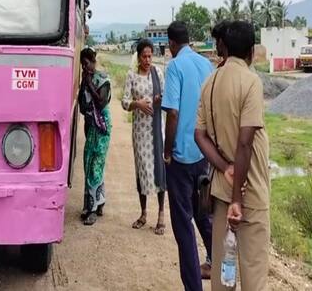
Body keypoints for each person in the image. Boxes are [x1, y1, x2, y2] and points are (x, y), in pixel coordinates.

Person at [195, 21, 271, 291]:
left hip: (221, 191)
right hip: (250, 194)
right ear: (251, 51)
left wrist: (225, 167)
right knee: (254, 274)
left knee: (222, 276)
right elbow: (245, 143)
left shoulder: (210, 83)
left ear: (224, 47)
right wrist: (239, 197)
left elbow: (200, 135)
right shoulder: (251, 82)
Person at [161, 21, 215, 289]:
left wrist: (167, 151)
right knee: (203, 215)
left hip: (181, 158)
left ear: (171, 44)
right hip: (204, 155)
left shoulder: (174, 67)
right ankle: (219, 267)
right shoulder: (206, 65)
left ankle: (193, 286)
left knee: (183, 227)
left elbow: (172, 112)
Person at [122, 39, 167, 235]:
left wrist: (158, 99)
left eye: (150, 56)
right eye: (144, 56)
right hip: (140, 132)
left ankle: (161, 215)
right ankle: (143, 213)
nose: (148, 60)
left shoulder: (158, 73)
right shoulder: (131, 75)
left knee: (159, 169)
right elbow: (124, 102)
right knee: (142, 170)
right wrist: (137, 104)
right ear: (138, 57)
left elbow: (166, 95)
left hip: (156, 129)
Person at [78, 48, 112, 226]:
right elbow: (82, 106)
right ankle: (97, 201)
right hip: (90, 127)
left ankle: (92, 210)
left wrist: (89, 84)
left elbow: (101, 102)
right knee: (89, 163)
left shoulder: (102, 79)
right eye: (82, 65)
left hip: (102, 127)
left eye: (86, 64)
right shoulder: (85, 80)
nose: (85, 67)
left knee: (95, 165)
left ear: (93, 61)